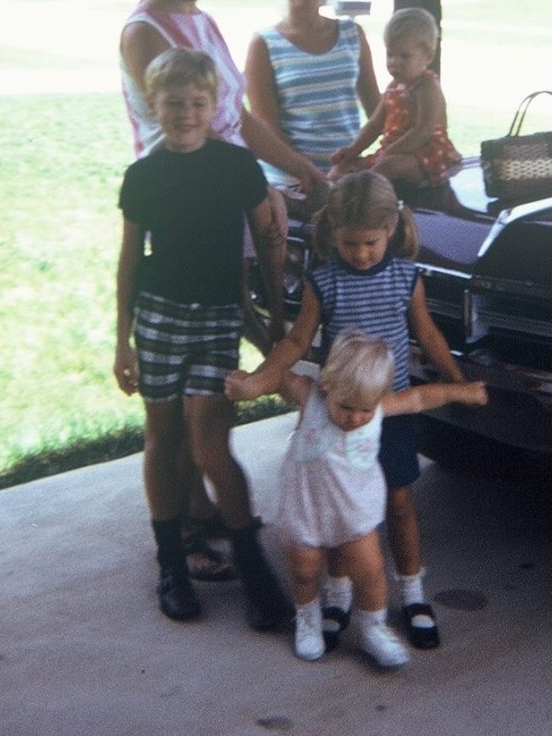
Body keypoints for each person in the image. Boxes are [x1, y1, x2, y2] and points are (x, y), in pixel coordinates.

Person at [119, 0, 326, 581]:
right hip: (189, 219)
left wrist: (301, 170)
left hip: (232, 211)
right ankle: (185, 526)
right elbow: (195, 134)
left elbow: (239, 119)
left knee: (211, 378)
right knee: (183, 394)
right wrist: (257, 196)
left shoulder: (203, 23)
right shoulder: (144, 32)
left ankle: (206, 508)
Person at [226, 170, 467, 651]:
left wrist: (457, 381)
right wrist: (259, 377)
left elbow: (427, 334)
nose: (360, 254)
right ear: (332, 231)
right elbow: (298, 340)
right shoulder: (324, 281)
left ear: (391, 228)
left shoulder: (405, 278)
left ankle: (413, 594)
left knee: (399, 503)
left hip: (389, 412)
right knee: (337, 509)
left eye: (370, 243)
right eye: (350, 243)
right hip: (339, 414)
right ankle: (338, 599)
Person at [114, 48, 292, 631]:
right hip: (159, 320)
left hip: (218, 319)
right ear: (152, 104)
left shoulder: (237, 166)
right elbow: (128, 261)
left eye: (197, 102)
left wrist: (276, 316)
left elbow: (268, 241)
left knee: (213, 446)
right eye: (173, 103)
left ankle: (253, 566)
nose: (186, 113)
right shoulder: (143, 175)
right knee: (163, 441)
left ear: (214, 105)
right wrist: (122, 341)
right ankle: (172, 565)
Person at [227, 329, 487, 665]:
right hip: (305, 508)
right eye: (346, 407)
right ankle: (308, 620)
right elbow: (280, 378)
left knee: (371, 572)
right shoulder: (311, 397)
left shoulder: (376, 409)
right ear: (328, 385)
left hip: (354, 513)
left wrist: (461, 392)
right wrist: (250, 386)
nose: (355, 417)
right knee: (304, 571)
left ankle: (372, 628)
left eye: (364, 409)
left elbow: (421, 398)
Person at [244, 0, 381, 193]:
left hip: (346, 179)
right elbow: (266, 128)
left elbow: (379, 110)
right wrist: (312, 175)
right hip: (290, 183)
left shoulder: (352, 34)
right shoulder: (263, 44)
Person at [329, 7, 460, 186]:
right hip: (392, 153)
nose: (394, 62)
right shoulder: (393, 88)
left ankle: (366, 190)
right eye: (390, 54)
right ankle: (327, 193)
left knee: (388, 166)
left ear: (428, 56)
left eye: (404, 56)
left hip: (426, 155)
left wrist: (391, 151)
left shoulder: (427, 87)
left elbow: (423, 131)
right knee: (343, 168)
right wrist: (352, 150)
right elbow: (374, 125)